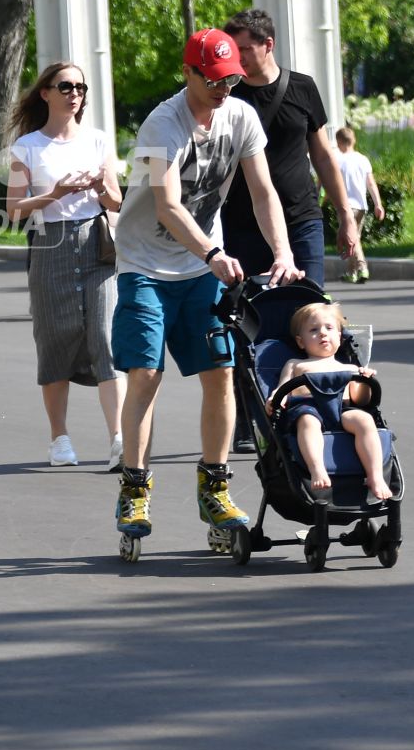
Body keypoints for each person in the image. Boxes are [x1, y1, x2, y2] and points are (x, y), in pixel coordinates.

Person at [111, 29, 302, 548]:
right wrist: (214, 253)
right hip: (145, 264)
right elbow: (169, 205)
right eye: (215, 80)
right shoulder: (161, 124)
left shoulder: (240, 117)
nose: (225, 89)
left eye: (233, 79)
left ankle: (214, 487)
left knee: (220, 374)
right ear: (188, 73)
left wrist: (283, 253)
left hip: (200, 268)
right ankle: (134, 486)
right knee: (145, 375)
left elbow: (264, 192)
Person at [5, 61, 126, 470]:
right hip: (50, 244)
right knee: (54, 341)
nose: (74, 93)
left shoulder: (96, 140)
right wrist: (55, 193)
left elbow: (117, 202)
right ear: (46, 93)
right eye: (65, 86)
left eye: (80, 87)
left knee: (107, 338)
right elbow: (14, 211)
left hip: (96, 244)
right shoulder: (27, 147)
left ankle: (118, 440)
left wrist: (100, 188)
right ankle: (59, 439)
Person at [219, 10, 358, 287]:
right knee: (252, 316)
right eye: (234, 50)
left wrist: (346, 215)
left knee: (309, 307)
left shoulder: (302, 87)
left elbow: (322, 156)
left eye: (245, 49)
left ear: (268, 45)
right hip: (243, 225)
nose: (239, 57)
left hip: (301, 220)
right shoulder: (225, 96)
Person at [274, 302, 392, 502]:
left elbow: (360, 399)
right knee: (308, 422)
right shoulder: (297, 364)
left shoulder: (349, 367)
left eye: (329, 328)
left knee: (364, 419)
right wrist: (277, 397)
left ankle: (375, 476)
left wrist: (365, 380)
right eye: (313, 330)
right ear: (301, 342)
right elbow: (282, 387)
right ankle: (317, 469)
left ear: (339, 336)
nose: (322, 333)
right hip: (308, 407)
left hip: (343, 409)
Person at [333, 127, 384, 283]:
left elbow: (333, 183)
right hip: (361, 205)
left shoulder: (339, 160)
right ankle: (352, 272)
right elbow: (371, 183)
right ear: (353, 140)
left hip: (345, 206)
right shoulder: (363, 159)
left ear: (339, 142)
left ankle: (362, 268)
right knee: (354, 239)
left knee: (352, 238)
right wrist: (378, 204)